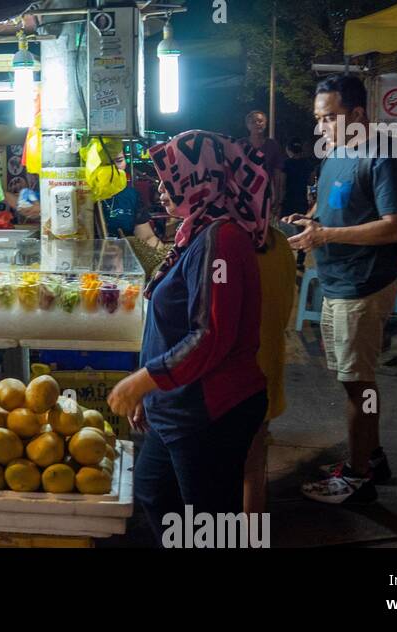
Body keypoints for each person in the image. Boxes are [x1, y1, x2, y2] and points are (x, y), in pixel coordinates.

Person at [107, 130, 271, 536]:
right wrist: (151, 391)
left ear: (200, 179)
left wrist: (142, 381)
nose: (161, 189)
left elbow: (210, 335)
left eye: (170, 178)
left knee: (210, 526)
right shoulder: (195, 232)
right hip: (178, 404)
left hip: (211, 408)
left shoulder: (222, 240)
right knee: (154, 492)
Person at [284, 74, 397, 505]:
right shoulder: (336, 152)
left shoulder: (383, 156)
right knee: (352, 380)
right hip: (336, 281)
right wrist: (311, 220)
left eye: (330, 118)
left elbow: (396, 226)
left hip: (364, 283)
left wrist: (328, 237)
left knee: (358, 383)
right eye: (318, 120)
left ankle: (358, 477)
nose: (322, 128)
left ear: (357, 114)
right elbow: (330, 202)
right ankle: (372, 456)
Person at [244, 224, 296, 514]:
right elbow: (285, 308)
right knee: (253, 468)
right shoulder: (278, 241)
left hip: (227, 383)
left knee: (219, 476)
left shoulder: (221, 241)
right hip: (265, 372)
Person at [238, 111, 285, 217]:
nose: (257, 124)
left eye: (260, 121)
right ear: (248, 125)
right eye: (253, 122)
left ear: (265, 123)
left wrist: (277, 196)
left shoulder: (272, 145)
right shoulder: (241, 144)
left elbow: (278, 172)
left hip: (266, 194)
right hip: (245, 194)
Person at [281, 138, 317, 217]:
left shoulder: (286, 164)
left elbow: (282, 184)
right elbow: (311, 182)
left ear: (288, 150)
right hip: (302, 200)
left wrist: (279, 201)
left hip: (288, 200)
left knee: (286, 226)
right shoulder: (308, 164)